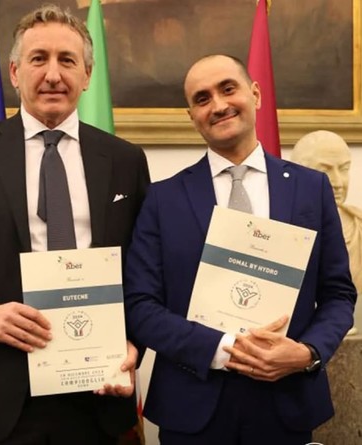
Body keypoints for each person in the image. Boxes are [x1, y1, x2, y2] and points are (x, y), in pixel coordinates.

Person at [0, 4, 150, 445]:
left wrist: (134, 344)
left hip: (98, 395)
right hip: (0, 397)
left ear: (87, 75)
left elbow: (143, 272)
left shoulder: (125, 160)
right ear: (16, 73)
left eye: (67, 60)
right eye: (39, 59)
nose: (53, 74)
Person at [123, 54, 356, 445]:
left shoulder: (310, 190)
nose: (218, 105)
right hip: (191, 410)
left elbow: (338, 294)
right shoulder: (163, 199)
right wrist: (222, 349)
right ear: (192, 116)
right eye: (202, 99)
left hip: (286, 405)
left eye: (228, 89)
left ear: (256, 94)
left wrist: (307, 353)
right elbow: (140, 304)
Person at [291, 130, 362, 295]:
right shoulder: (284, 226)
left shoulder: (358, 225)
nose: (338, 182)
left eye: (344, 169)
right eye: (325, 171)